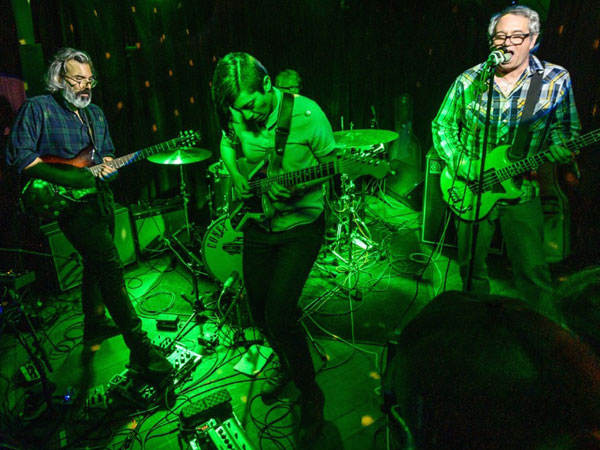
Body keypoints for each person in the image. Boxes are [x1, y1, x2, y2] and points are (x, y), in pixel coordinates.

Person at [5, 48, 171, 378]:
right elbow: (19, 156)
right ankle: (139, 348)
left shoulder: (95, 113)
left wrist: (109, 166)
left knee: (96, 266)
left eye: (90, 79)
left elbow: (104, 154)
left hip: (100, 200)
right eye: (78, 79)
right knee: (110, 266)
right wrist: (69, 177)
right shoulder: (39, 108)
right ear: (58, 79)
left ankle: (94, 324)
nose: (86, 86)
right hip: (70, 205)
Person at [211, 52, 335, 442]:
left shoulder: (309, 114)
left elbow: (332, 165)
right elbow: (227, 146)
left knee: (281, 314)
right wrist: (236, 175)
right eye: (238, 110)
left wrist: (299, 184)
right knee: (259, 311)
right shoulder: (236, 116)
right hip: (258, 225)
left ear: (267, 85)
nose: (246, 117)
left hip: (300, 226)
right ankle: (286, 361)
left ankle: (311, 393)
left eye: (250, 106)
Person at [431, 5, 580, 318]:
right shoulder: (469, 80)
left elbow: (567, 132)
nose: (507, 43)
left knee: (532, 274)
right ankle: (476, 331)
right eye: (500, 36)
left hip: (522, 191)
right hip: (469, 188)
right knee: (471, 271)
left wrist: (562, 150)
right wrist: (462, 162)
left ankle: (542, 346)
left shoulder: (553, 81)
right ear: (491, 43)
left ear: (533, 39)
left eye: (517, 36)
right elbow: (442, 125)